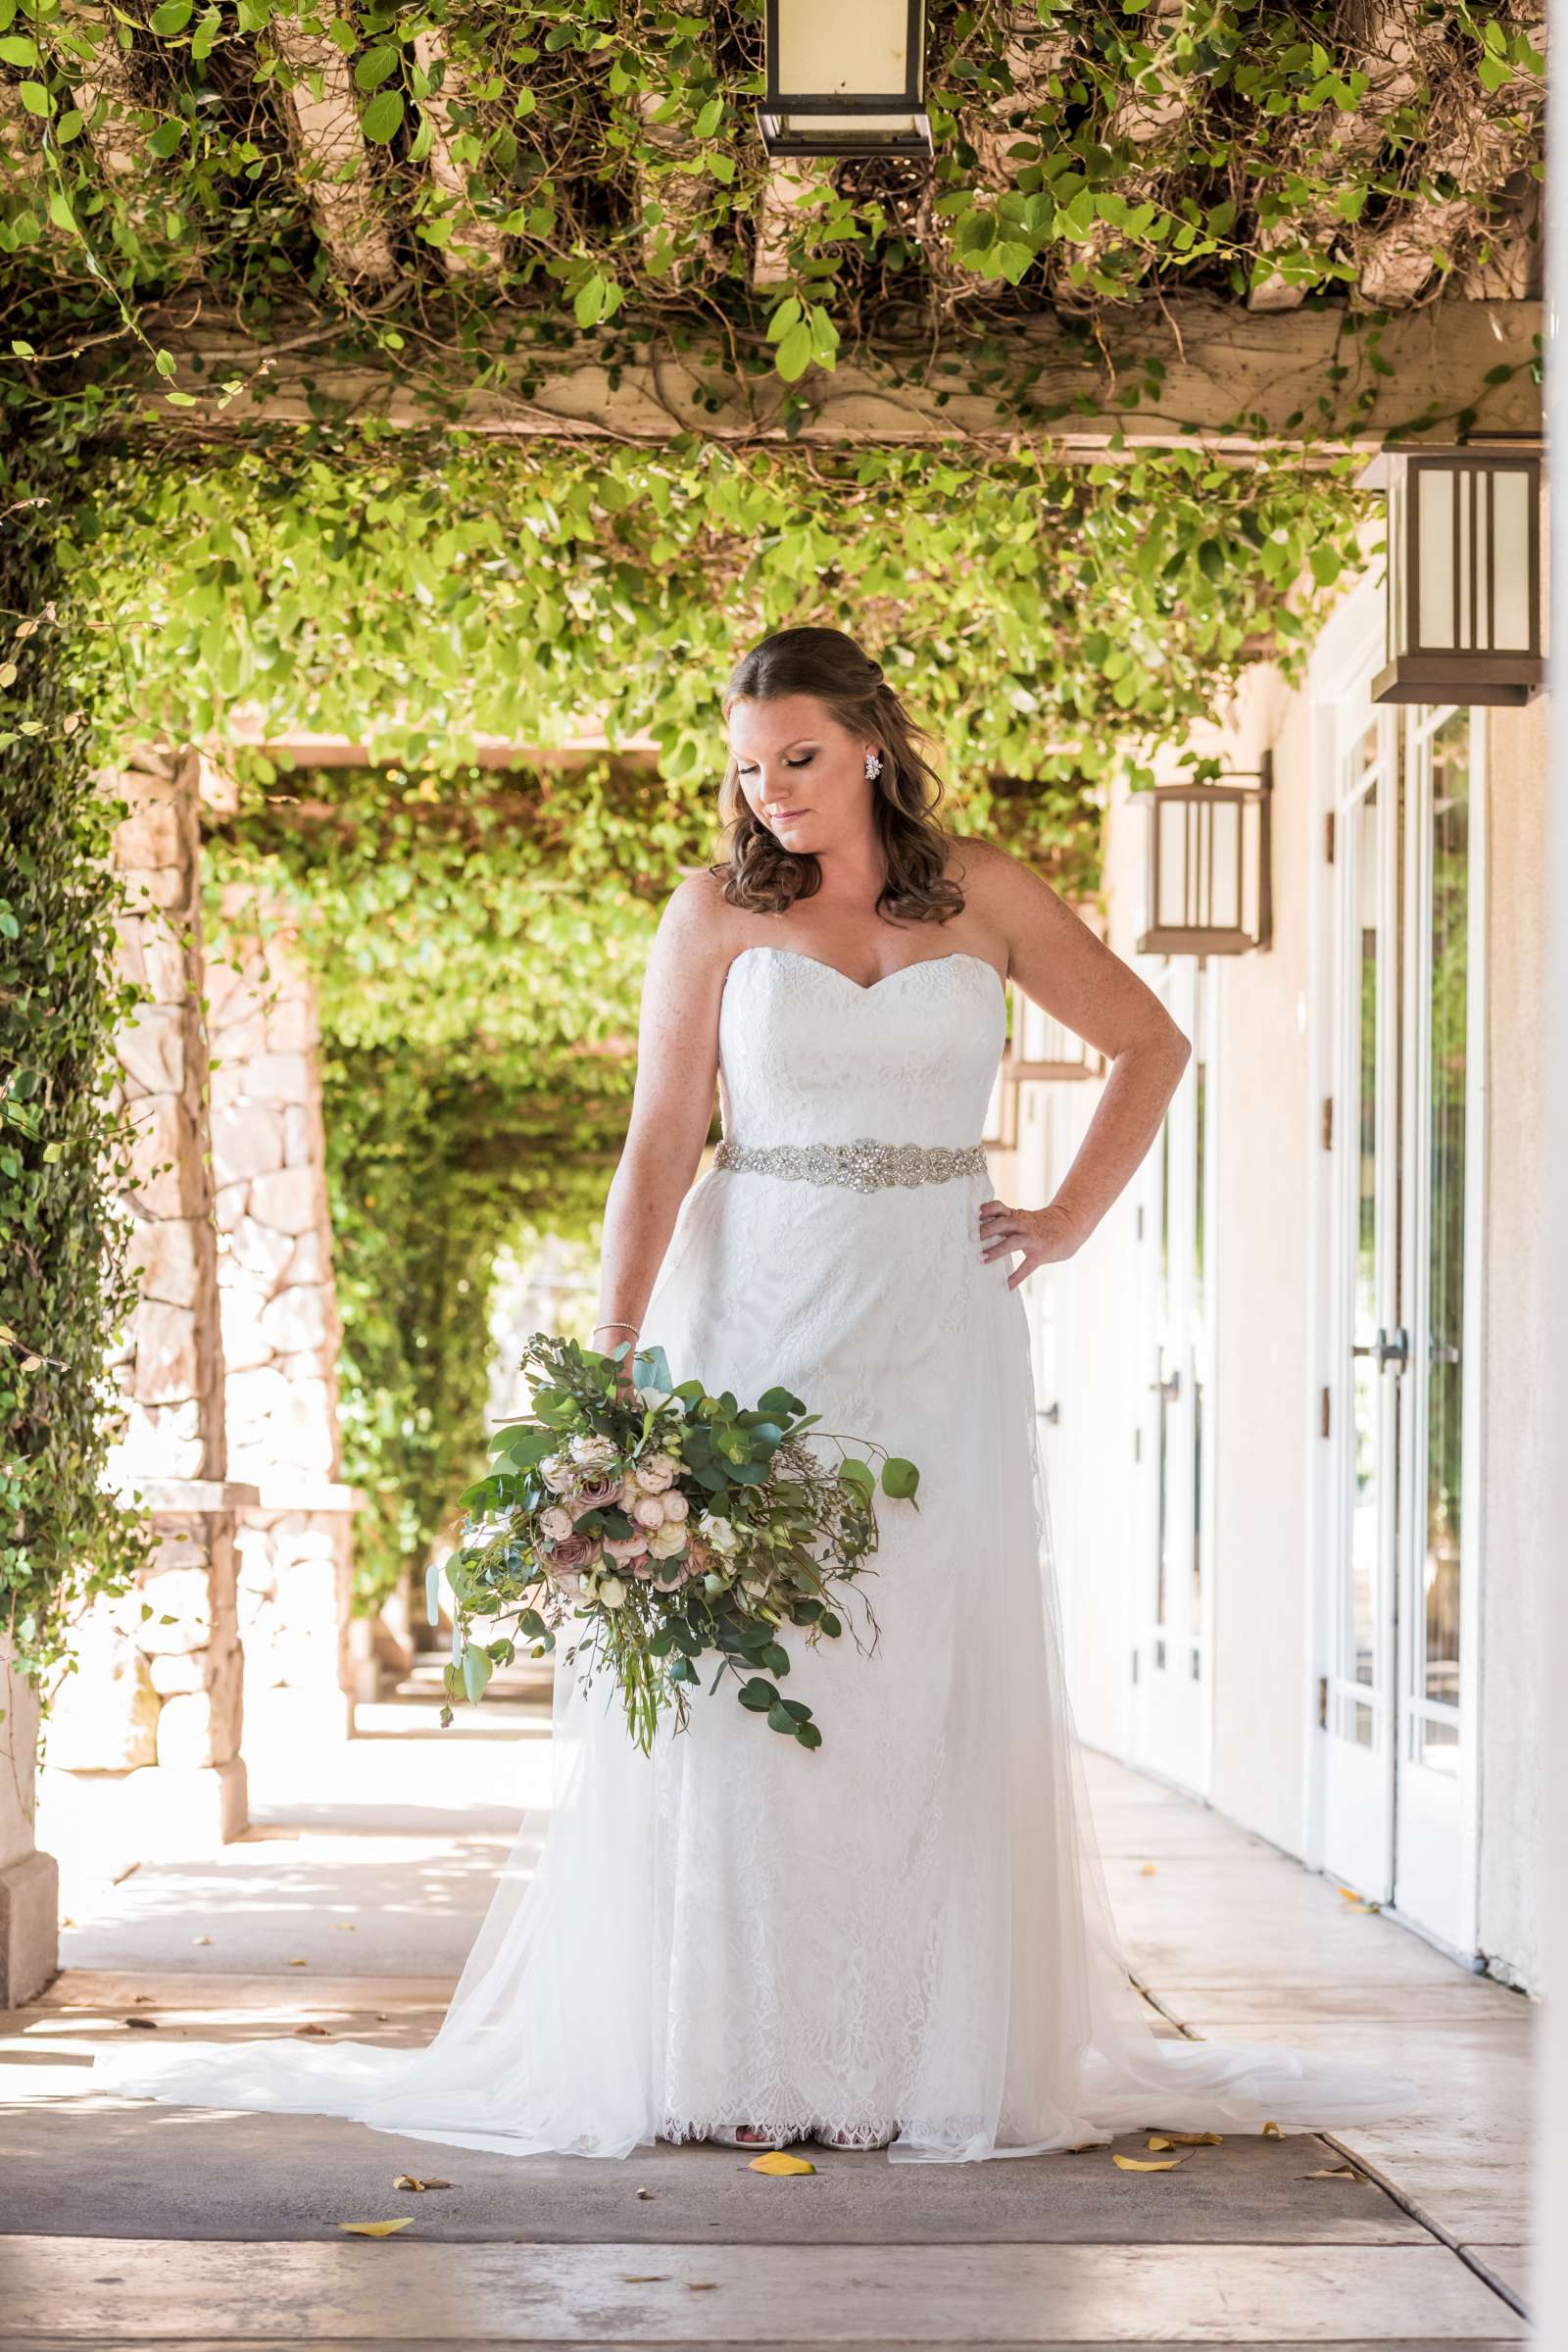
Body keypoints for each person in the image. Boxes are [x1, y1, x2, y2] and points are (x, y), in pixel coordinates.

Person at [93, 625, 1421, 2160]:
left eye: (798, 756)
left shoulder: (982, 891)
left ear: (869, 742)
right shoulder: (714, 913)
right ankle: (732, 2053)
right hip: (759, 1321)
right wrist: (608, 1363)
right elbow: (661, 1141)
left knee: (921, 1672)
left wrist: (1061, 1221)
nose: (773, 792)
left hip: (937, 1327)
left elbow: (1151, 1042)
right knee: (750, 1678)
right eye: (747, 767)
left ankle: (921, 2059)